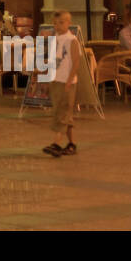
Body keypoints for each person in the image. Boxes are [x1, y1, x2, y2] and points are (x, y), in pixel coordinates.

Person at [43, 10, 82, 158]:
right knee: (63, 112)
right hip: (56, 80)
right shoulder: (55, 39)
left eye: (61, 22)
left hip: (67, 82)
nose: (57, 26)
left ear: (68, 23)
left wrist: (69, 80)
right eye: (55, 23)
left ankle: (57, 143)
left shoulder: (72, 40)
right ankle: (72, 143)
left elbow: (76, 62)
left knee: (62, 112)